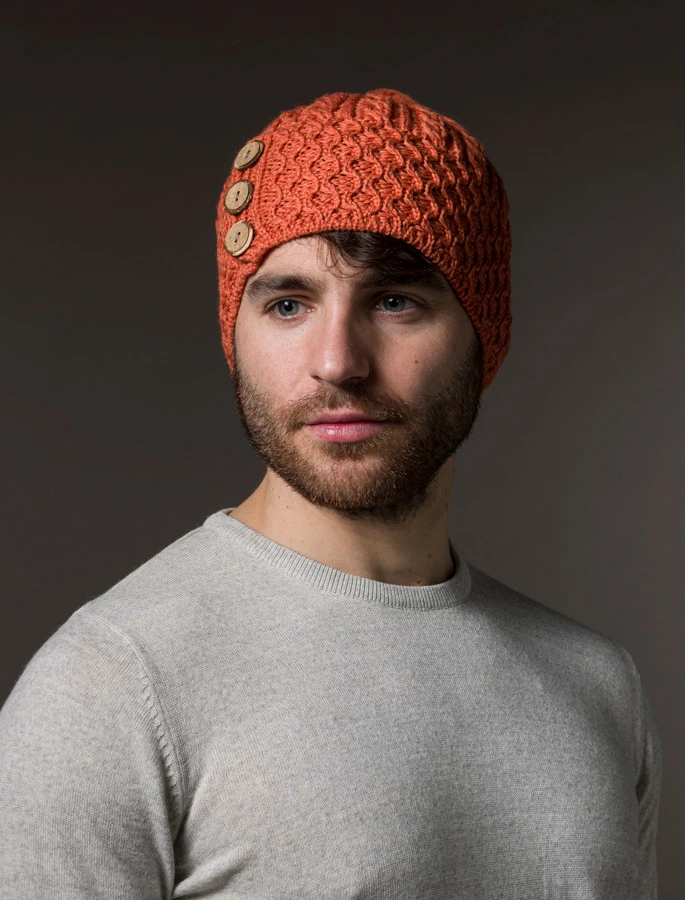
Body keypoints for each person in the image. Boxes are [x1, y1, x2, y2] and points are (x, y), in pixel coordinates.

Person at [0, 88, 662, 898]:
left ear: (484, 336)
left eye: (394, 301)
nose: (337, 362)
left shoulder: (596, 686)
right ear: (236, 336)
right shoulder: (112, 686)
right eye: (288, 305)